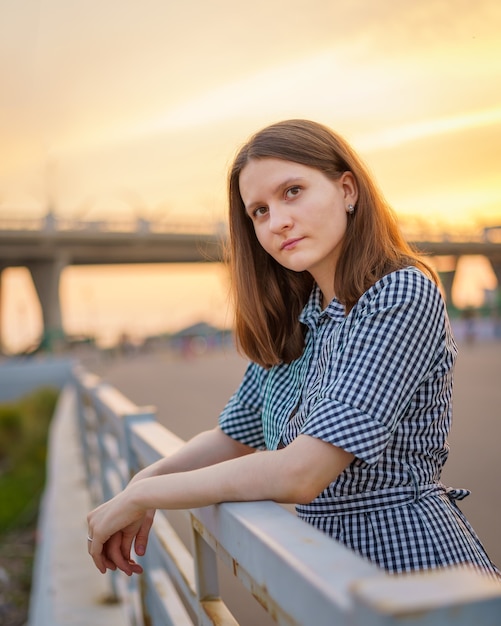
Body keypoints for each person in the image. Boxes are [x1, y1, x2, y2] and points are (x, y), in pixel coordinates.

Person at [87, 119, 500, 581]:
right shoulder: (300, 317)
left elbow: (302, 473)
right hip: (325, 570)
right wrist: (141, 482)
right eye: (259, 211)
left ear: (348, 189)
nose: (278, 221)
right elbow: (233, 437)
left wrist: (147, 498)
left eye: (293, 192)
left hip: (411, 570)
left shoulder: (398, 294)